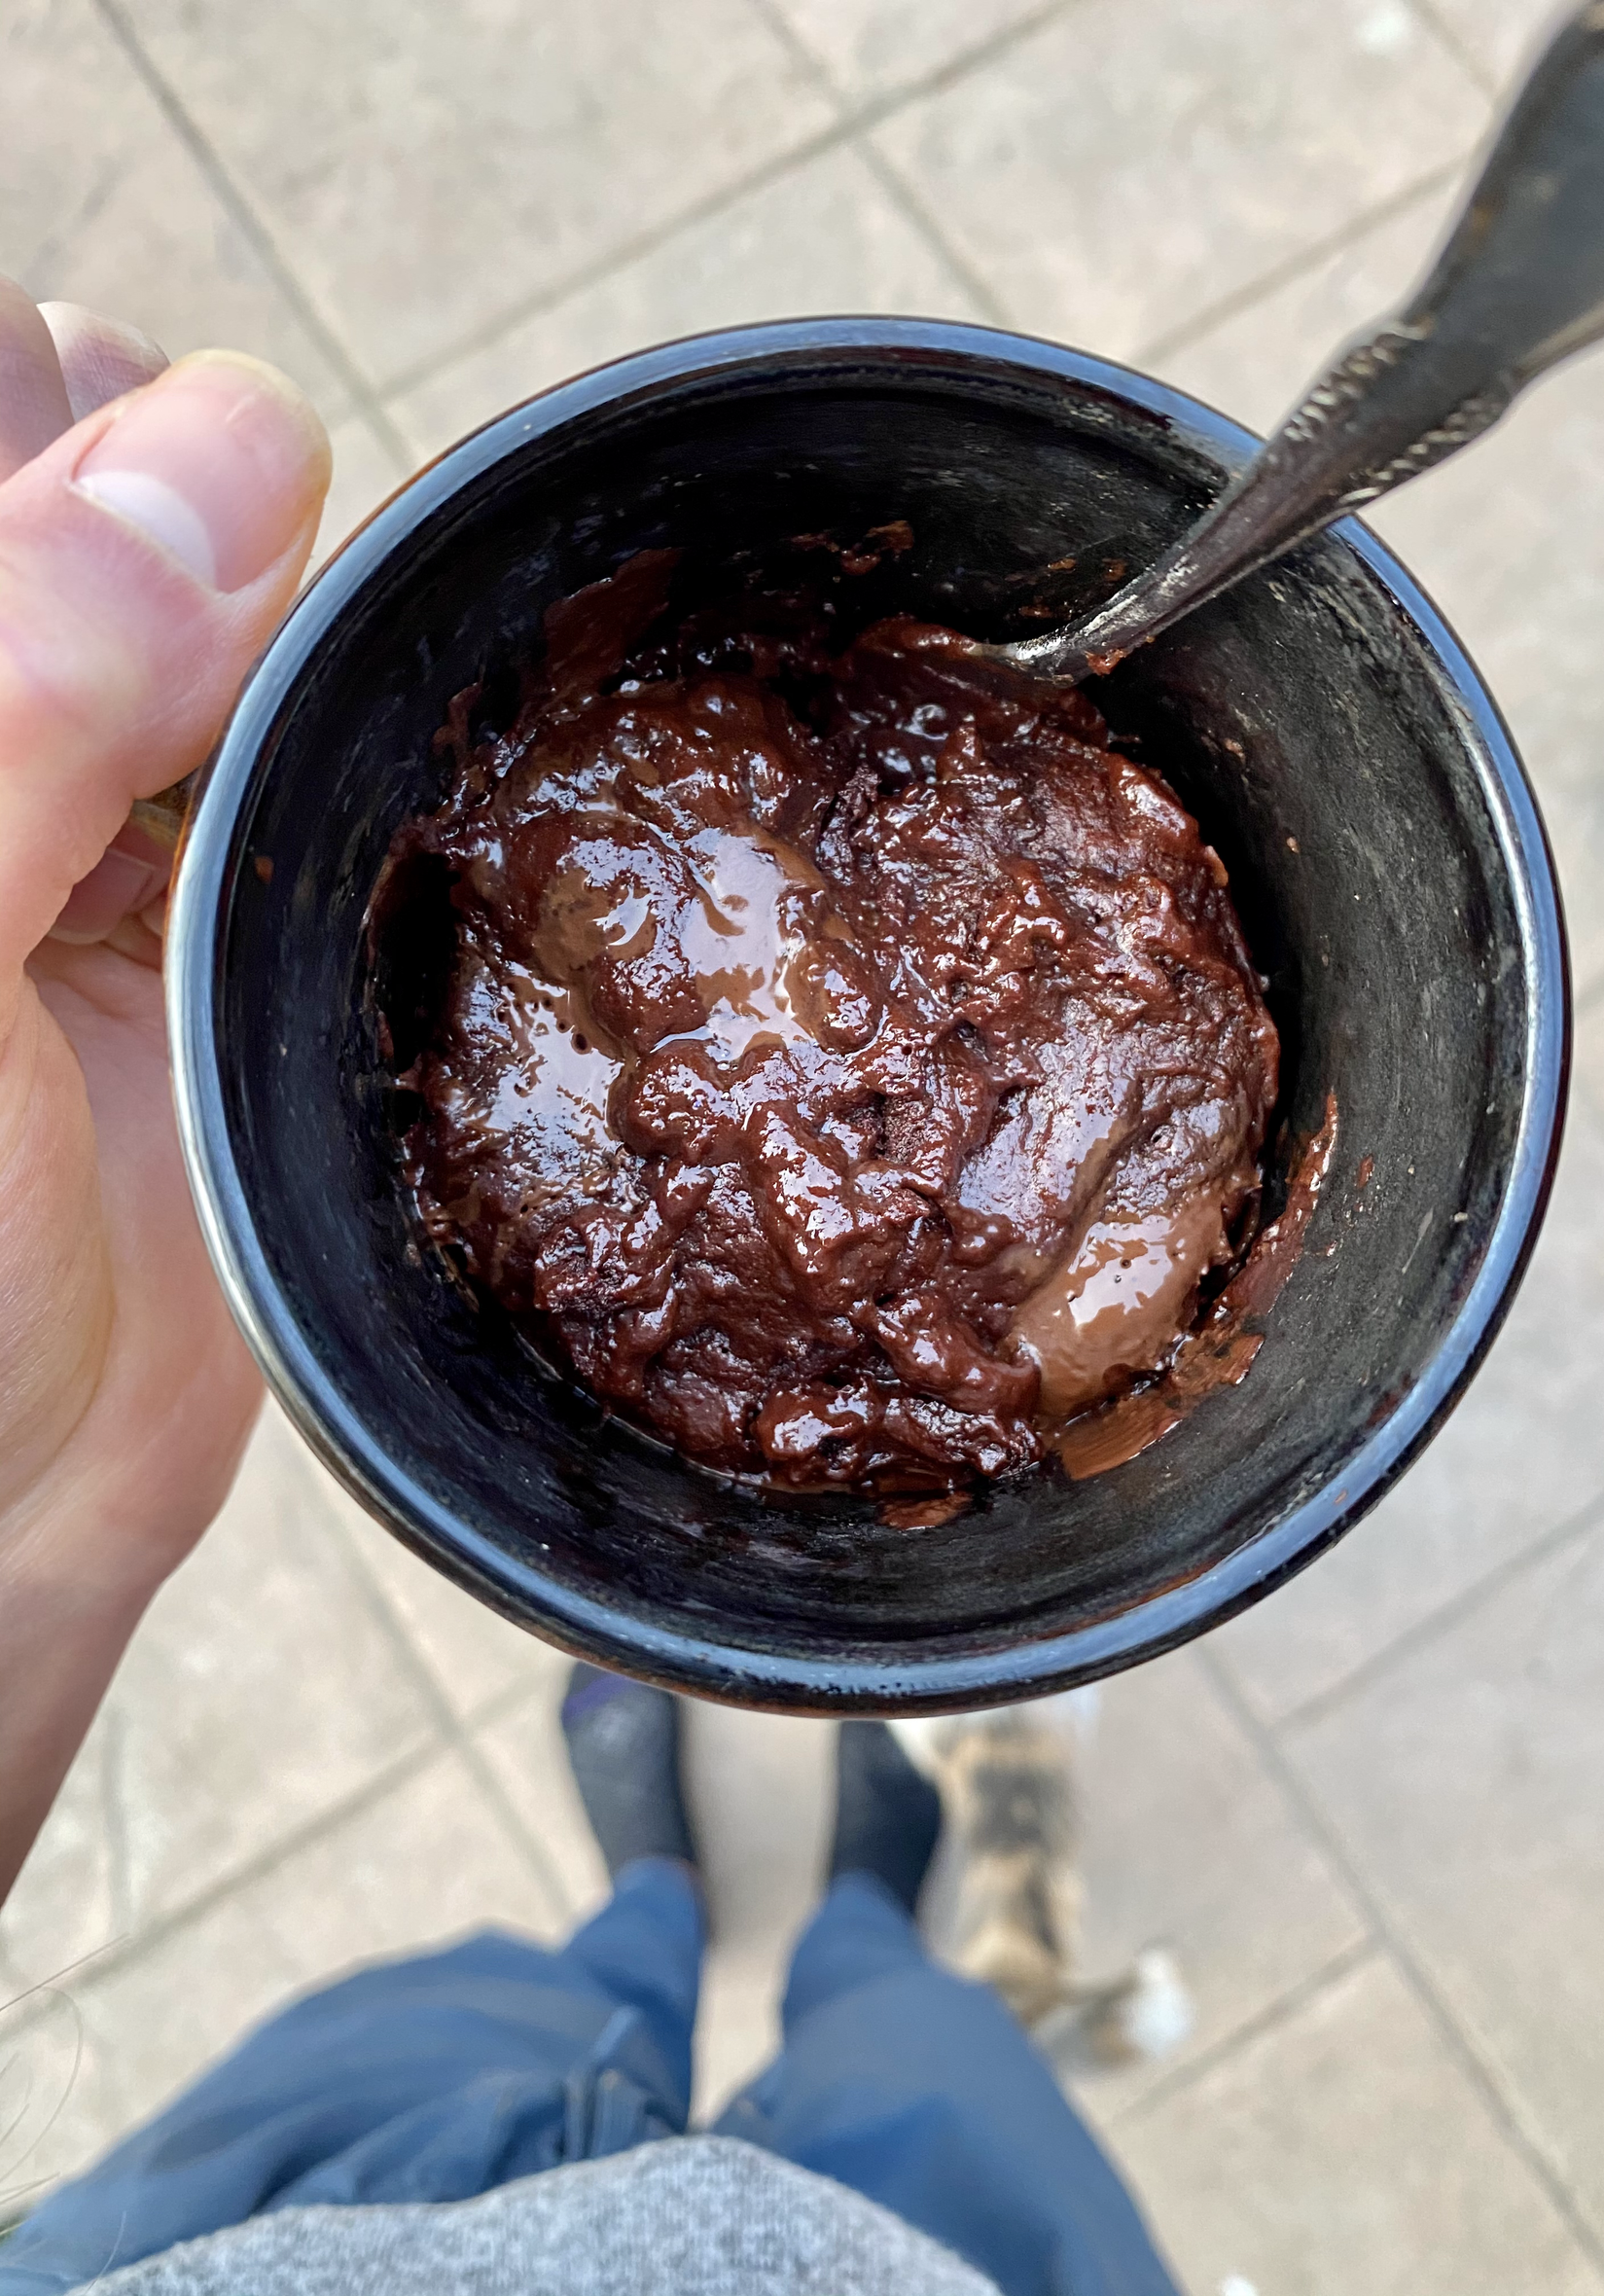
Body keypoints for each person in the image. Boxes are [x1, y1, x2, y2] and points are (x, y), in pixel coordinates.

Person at [0, 279, 1177, 2296]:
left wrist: (38, 1535)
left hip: (265, 2215)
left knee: (504, 2015)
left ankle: (671, 1903)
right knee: (933, 2071)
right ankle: (854, 1917)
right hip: (932, 2253)